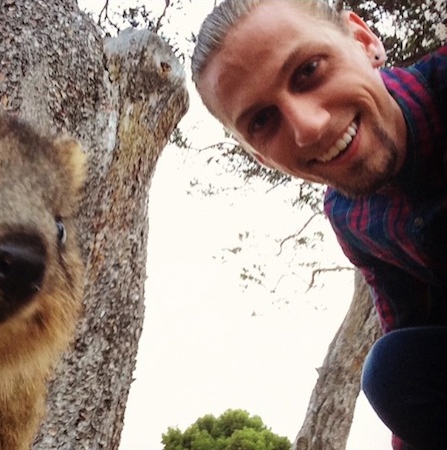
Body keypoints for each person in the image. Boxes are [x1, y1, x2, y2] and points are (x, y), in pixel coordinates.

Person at [191, 1, 447, 449]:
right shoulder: (350, 216)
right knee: (391, 368)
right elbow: (409, 337)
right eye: (263, 120)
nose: (308, 128)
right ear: (260, 156)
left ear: (364, 42)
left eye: (309, 70)